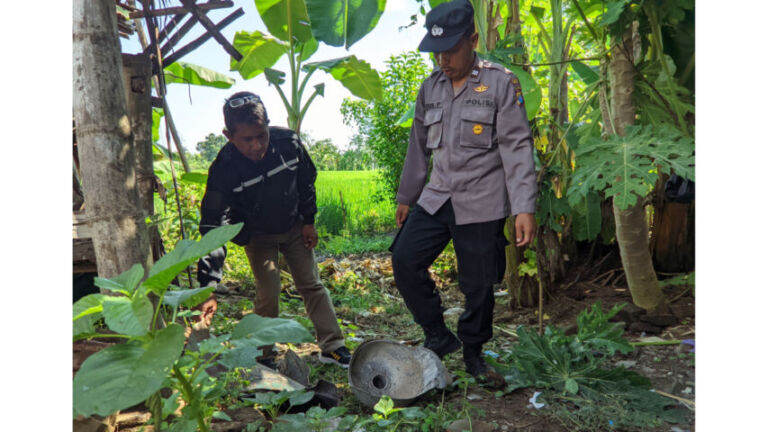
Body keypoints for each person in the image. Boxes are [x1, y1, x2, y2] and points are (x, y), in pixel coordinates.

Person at [390, 0, 537, 378]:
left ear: (472, 39)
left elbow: (517, 147)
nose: (443, 59)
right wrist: (407, 197)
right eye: (437, 51)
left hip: (483, 201)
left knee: (479, 286)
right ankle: (437, 334)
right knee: (405, 259)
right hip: (437, 196)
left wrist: (524, 207)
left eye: (451, 49)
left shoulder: (501, 83)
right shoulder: (431, 88)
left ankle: (473, 353)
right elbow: (418, 147)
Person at [194, 91, 351, 367]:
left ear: (268, 125)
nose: (257, 145)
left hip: (293, 226)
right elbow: (212, 227)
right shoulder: (224, 169)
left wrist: (309, 220)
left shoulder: (288, 143)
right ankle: (264, 355)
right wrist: (208, 284)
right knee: (268, 291)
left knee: (311, 284)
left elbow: (306, 180)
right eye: (247, 140)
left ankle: (333, 346)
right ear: (229, 136)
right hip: (258, 236)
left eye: (261, 135)